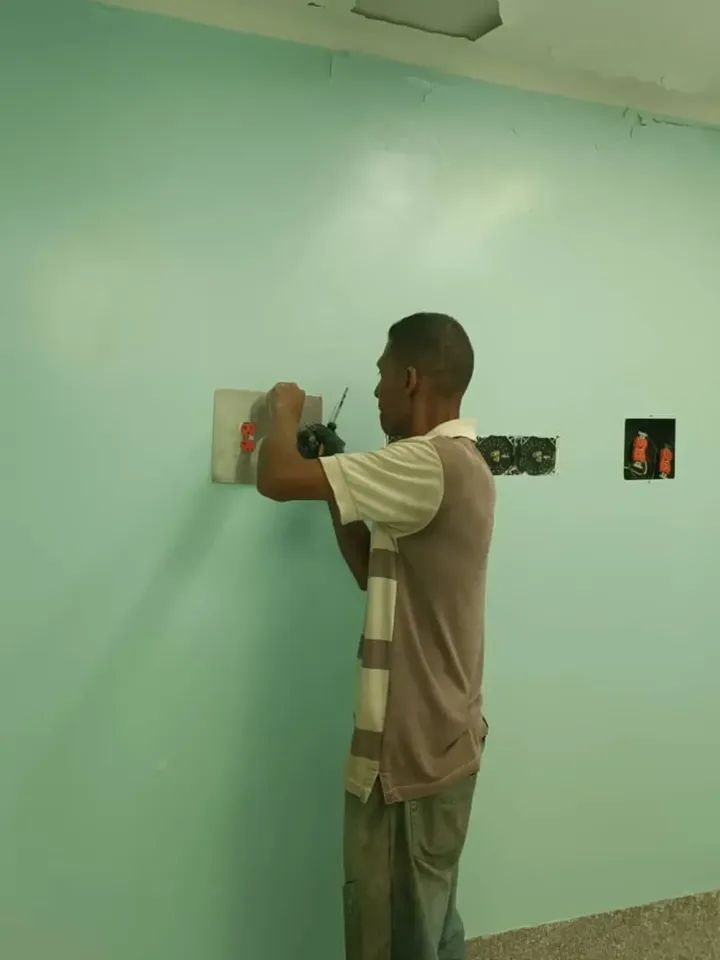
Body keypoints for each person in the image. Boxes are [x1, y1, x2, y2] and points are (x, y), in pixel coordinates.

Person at [257, 312, 495, 960]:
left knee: (393, 938)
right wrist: (338, 481)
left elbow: (274, 479)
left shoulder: (426, 462)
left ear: (411, 379)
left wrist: (282, 412)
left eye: (382, 375)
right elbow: (371, 569)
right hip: (445, 742)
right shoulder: (459, 464)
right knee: (431, 927)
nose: (375, 391)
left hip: (408, 759)